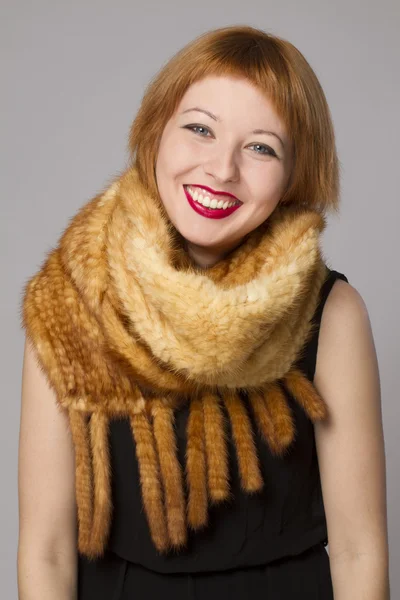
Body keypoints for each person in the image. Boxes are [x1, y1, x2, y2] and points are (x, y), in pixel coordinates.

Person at [17, 25, 389, 599]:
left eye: (261, 147)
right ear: (155, 133)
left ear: (295, 174)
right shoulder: (71, 299)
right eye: (199, 129)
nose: (221, 169)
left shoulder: (333, 314)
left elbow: (360, 551)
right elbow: (45, 551)